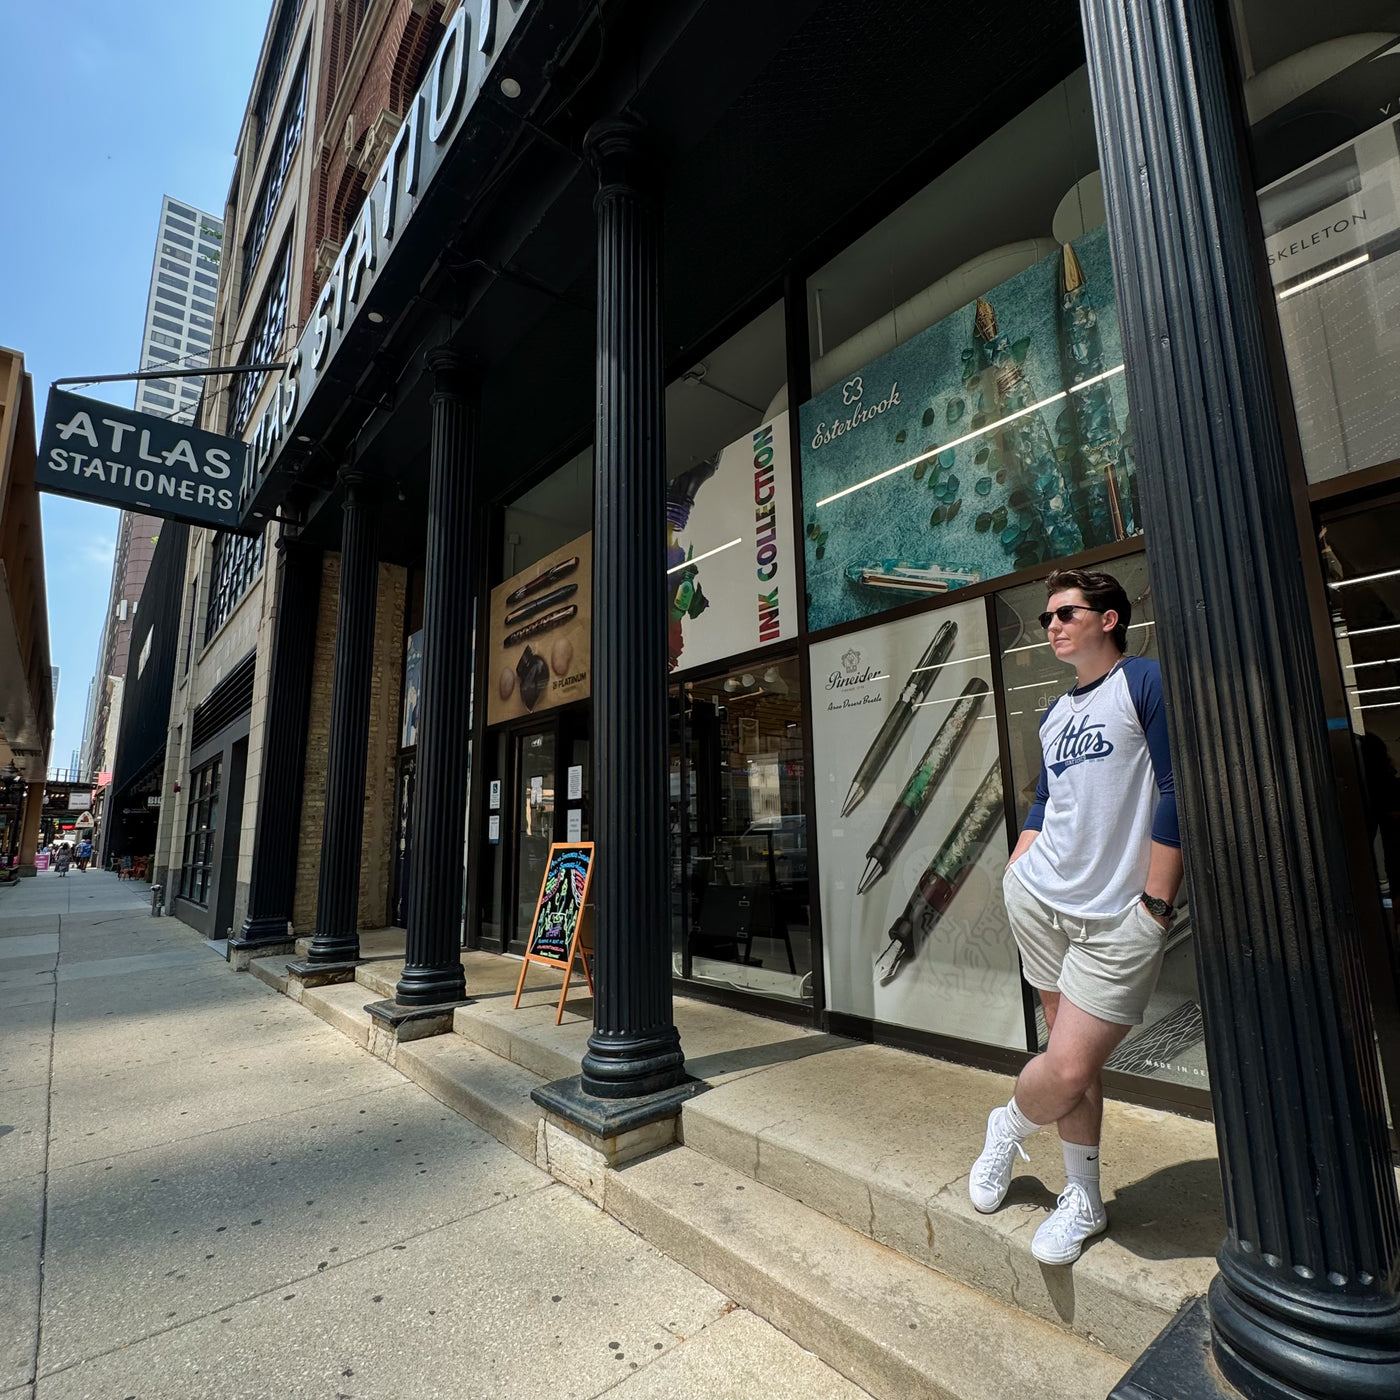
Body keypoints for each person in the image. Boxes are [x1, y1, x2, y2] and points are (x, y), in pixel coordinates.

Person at [969, 567, 1182, 1264]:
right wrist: (1020, 857)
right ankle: (1083, 1198)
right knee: (1073, 1062)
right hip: (1041, 900)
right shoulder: (1053, 712)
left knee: (1063, 1068)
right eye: (1046, 619)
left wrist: (1156, 902)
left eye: (1065, 613)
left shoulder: (1143, 684)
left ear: (1109, 619)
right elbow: (1045, 800)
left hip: (1120, 916)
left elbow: (1178, 789)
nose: (1052, 626)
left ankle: (1008, 1124)